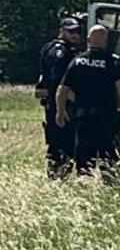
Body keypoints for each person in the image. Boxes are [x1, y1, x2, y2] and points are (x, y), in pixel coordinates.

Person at [55, 25, 120, 176]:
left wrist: (60, 112)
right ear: (106, 41)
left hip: (83, 118)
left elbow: (62, 90)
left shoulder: (77, 61)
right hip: (106, 118)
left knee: (84, 160)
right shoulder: (112, 62)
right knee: (108, 159)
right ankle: (108, 188)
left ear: (88, 40)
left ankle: (84, 188)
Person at [35, 17, 81, 177]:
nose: (75, 35)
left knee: (59, 142)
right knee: (63, 142)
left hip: (55, 103)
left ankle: (59, 175)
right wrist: (63, 106)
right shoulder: (62, 52)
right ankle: (57, 176)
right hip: (61, 104)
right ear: (61, 31)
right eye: (71, 31)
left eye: (77, 31)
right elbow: (58, 81)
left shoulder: (49, 48)